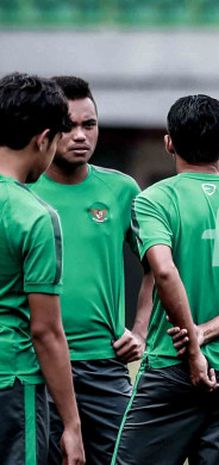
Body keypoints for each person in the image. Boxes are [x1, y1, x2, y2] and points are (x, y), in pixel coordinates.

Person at [112, 94, 219, 465]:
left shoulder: (153, 200)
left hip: (172, 366)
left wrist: (194, 347)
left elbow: (164, 271)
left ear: (169, 142)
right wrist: (207, 332)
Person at [30, 75, 154, 465]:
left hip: (105, 365)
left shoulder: (122, 190)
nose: (81, 135)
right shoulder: (22, 193)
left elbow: (157, 267)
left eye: (90, 124)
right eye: (69, 126)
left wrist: (141, 330)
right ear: (46, 131)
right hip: (36, 364)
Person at [0, 72, 85, 465]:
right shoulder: (34, 216)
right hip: (13, 385)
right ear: (44, 138)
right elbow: (45, 330)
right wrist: (71, 424)